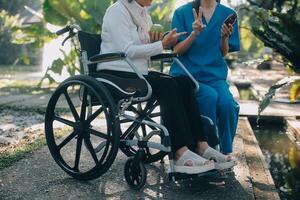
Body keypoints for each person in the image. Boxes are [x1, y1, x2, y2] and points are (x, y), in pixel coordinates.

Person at [98, 0, 235, 174]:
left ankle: (201, 145)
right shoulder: (117, 11)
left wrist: (161, 41)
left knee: (184, 83)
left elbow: (144, 50)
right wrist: (161, 45)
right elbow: (127, 51)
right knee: (169, 85)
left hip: (138, 73)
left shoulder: (143, 15)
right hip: (116, 74)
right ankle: (179, 152)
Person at [170, 0, 240, 155]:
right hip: (187, 75)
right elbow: (177, 51)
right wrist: (194, 34)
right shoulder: (181, 13)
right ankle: (206, 150)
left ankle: (226, 152)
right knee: (209, 97)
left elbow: (223, 52)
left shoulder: (229, 14)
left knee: (228, 105)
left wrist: (224, 38)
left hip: (214, 75)